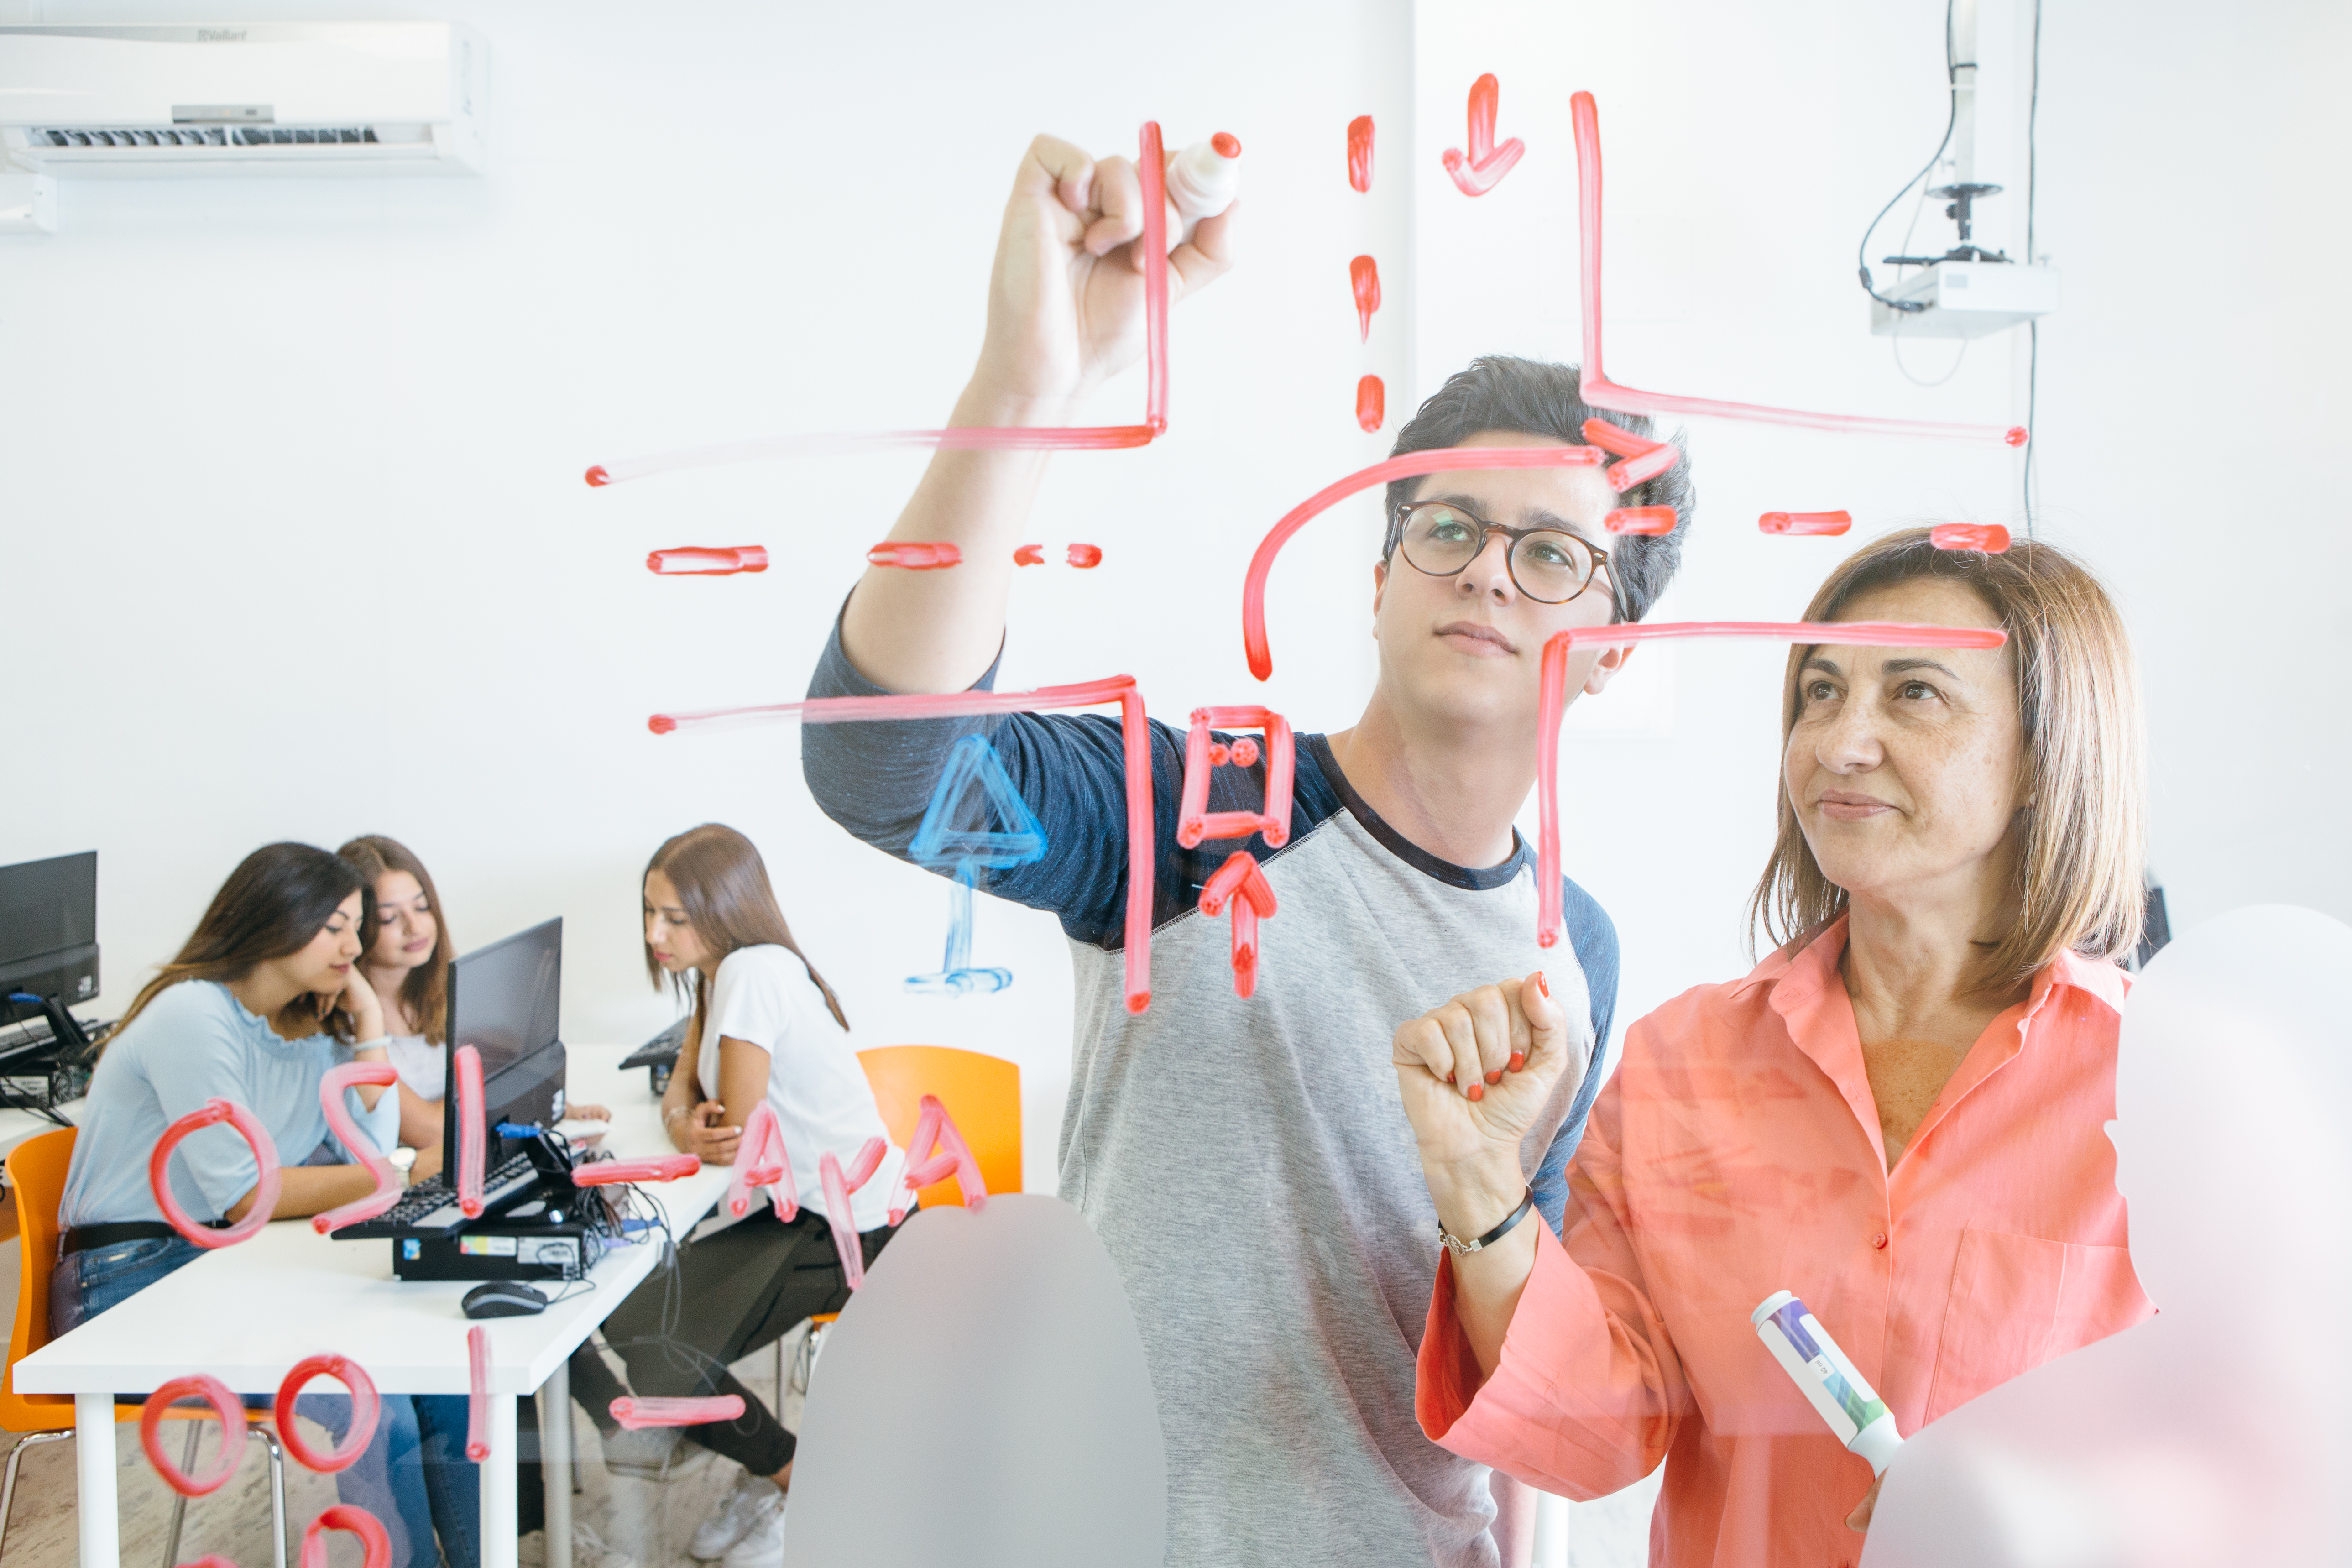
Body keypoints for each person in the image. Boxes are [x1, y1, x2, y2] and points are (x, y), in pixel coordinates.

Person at [800, 127, 1691, 1566]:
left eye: (1548, 552)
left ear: (1612, 647)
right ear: (1380, 564)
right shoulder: (1202, 808)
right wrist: (1028, 388)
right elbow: (878, 756)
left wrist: (1480, 1206)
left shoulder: (1569, 945)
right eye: (1444, 524)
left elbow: (1524, 1352)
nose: (1480, 568)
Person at [1395, 530, 2154, 1567]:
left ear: (2042, 753)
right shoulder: (1686, 1061)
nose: (1839, 741)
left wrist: (2053, 1517)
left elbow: (2260, 1460)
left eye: (1915, 693)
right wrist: (1482, 1188)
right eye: (1821, 691)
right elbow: (1593, 1431)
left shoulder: (2167, 1084)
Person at [53, 843, 474, 1568]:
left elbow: (358, 1151)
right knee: (364, 1404)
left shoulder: (302, 1027)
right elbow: (247, 1190)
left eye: (356, 928)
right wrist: (400, 1177)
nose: (356, 946)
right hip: (125, 1282)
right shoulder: (193, 1014)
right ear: (277, 922)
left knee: (441, 1376)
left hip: (209, 1263)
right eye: (337, 927)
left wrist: (368, 1015)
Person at [585, 824, 908, 1568]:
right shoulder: (721, 970)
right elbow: (684, 1091)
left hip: (850, 1227)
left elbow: (732, 1129)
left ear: (726, 908)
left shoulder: (753, 974)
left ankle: (797, 1483)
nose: (652, 934)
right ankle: (783, 1476)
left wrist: (688, 1127)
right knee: (641, 1327)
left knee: (657, 1352)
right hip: (799, 1213)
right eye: (648, 913)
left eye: (673, 916)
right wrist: (678, 1122)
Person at [338, 835, 457, 1157]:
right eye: (389, 918)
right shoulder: (348, 1024)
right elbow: (432, 1131)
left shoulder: (445, 991)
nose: (415, 926)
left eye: (422, 907)